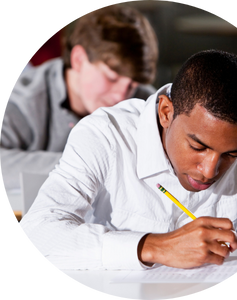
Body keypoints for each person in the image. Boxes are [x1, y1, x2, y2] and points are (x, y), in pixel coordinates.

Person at [18, 50, 237, 271]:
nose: (209, 170)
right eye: (197, 146)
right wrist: (153, 247)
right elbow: (37, 234)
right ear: (166, 112)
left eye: (231, 155)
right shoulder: (104, 135)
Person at [0, 4, 158, 190]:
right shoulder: (22, 100)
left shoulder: (144, 101)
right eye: (111, 78)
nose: (121, 96)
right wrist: (89, 162)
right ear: (78, 60)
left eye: (132, 84)